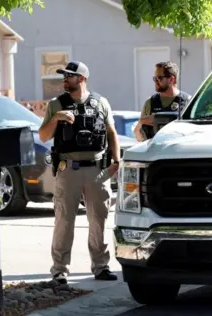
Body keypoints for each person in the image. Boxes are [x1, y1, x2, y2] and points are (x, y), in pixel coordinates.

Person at [38, 60, 120, 284]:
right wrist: (57, 118)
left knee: (99, 221)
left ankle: (101, 267)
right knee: (64, 221)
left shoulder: (101, 102)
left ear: (82, 78)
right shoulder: (56, 104)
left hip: (97, 171)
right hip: (69, 170)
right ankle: (60, 270)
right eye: (64, 75)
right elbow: (43, 136)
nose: (65, 79)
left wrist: (116, 160)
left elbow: (112, 132)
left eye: (69, 76)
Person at [134, 61, 192, 141]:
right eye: (155, 78)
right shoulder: (150, 102)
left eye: (159, 78)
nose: (155, 81)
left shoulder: (188, 102)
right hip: (155, 151)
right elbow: (138, 136)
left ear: (171, 79)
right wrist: (141, 122)